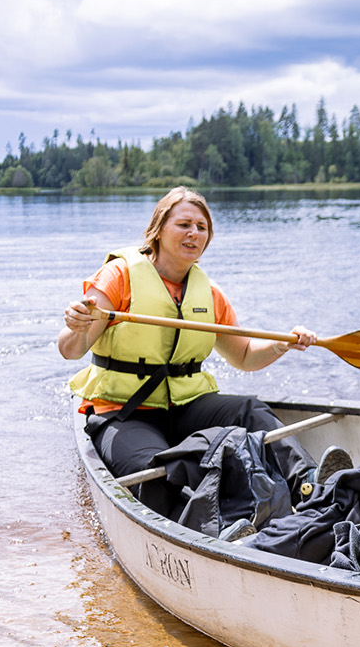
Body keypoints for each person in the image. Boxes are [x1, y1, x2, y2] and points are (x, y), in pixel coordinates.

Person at [59, 186, 336, 520]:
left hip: (187, 407)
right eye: (184, 224)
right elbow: (69, 350)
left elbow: (244, 356)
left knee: (250, 410)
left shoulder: (209, 293)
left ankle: (308, 485)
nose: (194, 233)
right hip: (125, 411)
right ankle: (213, 526)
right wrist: (77, 325)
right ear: (158, 230)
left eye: (202, 227)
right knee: (154, 468)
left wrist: (283, 343)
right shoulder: (119, 277)